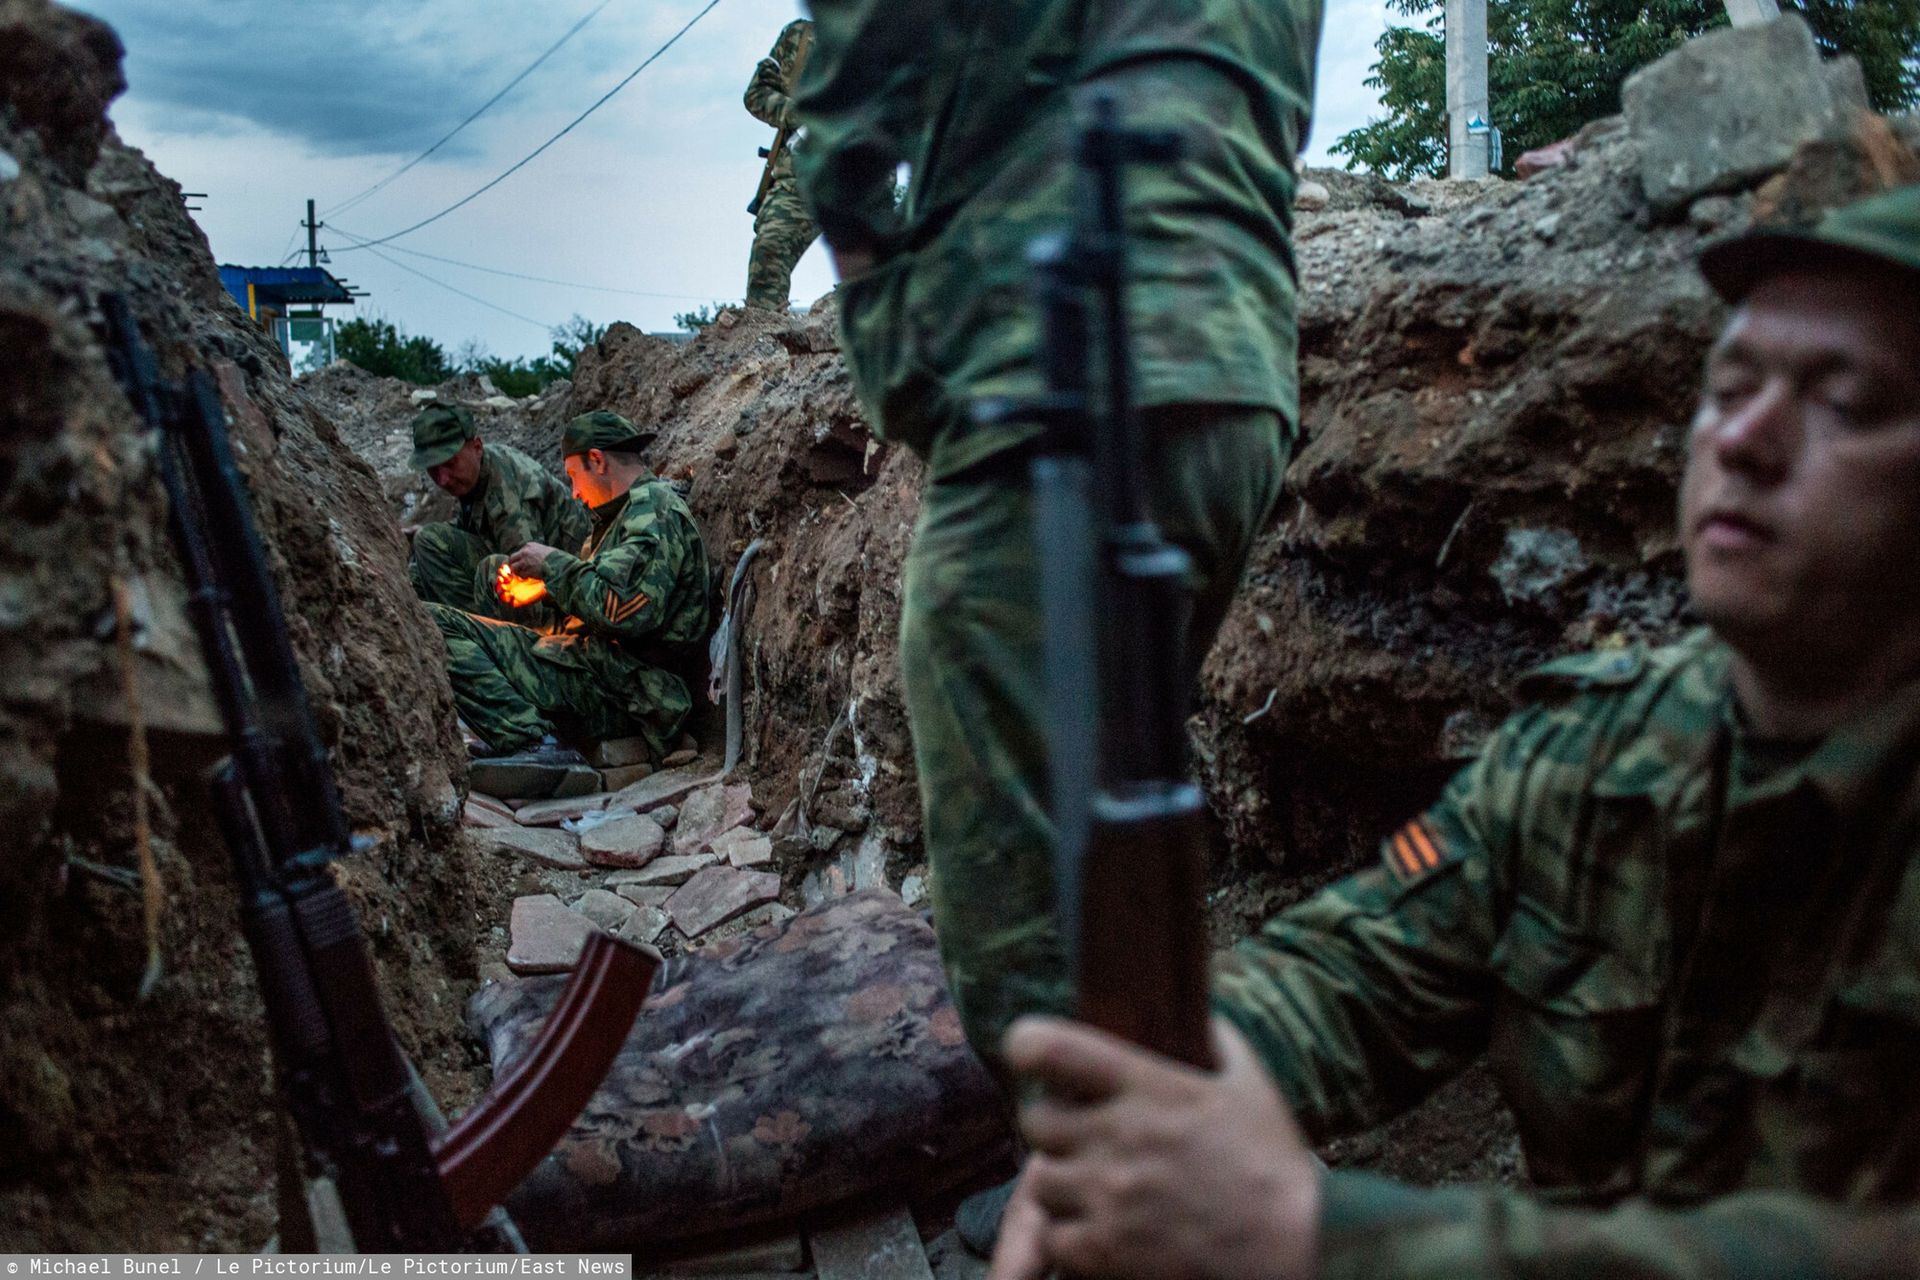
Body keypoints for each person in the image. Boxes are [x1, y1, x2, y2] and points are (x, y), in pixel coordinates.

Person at [988, 184, 1920, 1280]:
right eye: (1729, 386)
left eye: (1847, 400)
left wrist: (1312, 1234)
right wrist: (1182, 1082)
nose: (1747, 438)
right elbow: (1367, 959)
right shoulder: (1600, 748)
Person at [795, 0, 1322, 1073]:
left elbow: (857, 79)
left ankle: (1108, 1191)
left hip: (1042, 371)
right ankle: (1168, 1137)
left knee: (1026, 942)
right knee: (1124, 841)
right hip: (1237, 369)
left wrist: (885, 335)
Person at [427, 411, 712, 761]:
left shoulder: (653, 511)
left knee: (436, 625)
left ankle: (532, 741)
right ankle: (523, 728)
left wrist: (552, 565)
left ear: (598, 460)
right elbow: (605, 593)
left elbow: (626, 611)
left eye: (574, 476)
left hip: (628, 692)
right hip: (601, 670)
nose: (574, 493)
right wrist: (546, 590)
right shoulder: (620, 516)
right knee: (490, 577)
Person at [407, 403, 589, 614]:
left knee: (479, 561)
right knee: (419, 571)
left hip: (563, 599)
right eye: (433, 469)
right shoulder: (479, 471)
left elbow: (527, 575)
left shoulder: (506, 495)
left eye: (450, 463)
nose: (443, 479)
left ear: (476, 447)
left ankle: (473, 632)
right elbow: (479, 530)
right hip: (547, 581)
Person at [743, 18, 819, 311]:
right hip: (798, 182)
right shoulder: (800, 38)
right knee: (769, 249)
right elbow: (757, 93)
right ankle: (764, 345)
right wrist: (802, 114)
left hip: (863, 183)